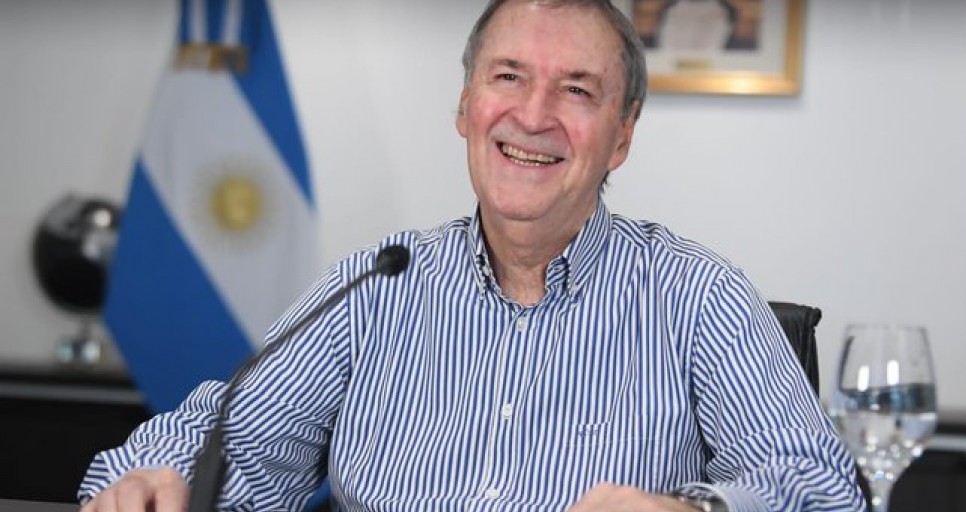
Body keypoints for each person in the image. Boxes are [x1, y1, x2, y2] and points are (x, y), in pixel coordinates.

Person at [79, 1, 865, 510]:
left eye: (577, 90)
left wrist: (694, 511)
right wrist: (152, 482)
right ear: (465, 107)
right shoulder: (377, 286)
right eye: (508, 77)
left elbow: (823, 488)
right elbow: (231, 440)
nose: (533, 115)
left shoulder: (701, 297)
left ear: (622, 137)